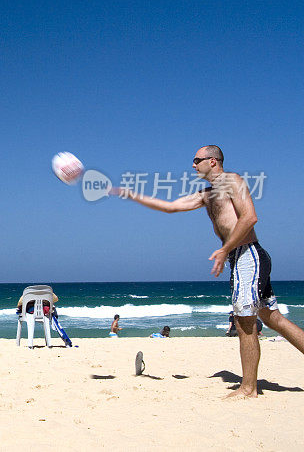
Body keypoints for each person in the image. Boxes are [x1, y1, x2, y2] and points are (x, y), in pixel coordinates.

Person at [111, 145, 304, 398]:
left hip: (248, 255)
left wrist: (224, 249)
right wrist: (132, 194)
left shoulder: (232, 181)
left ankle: (248, 388)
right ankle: (248, 386)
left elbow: (249, 218)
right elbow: (171, 206)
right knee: (273, 319)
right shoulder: (207, 194)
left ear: (213, 161)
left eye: (197, 160)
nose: (193, 165)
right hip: (240, 257)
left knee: (244, 322)